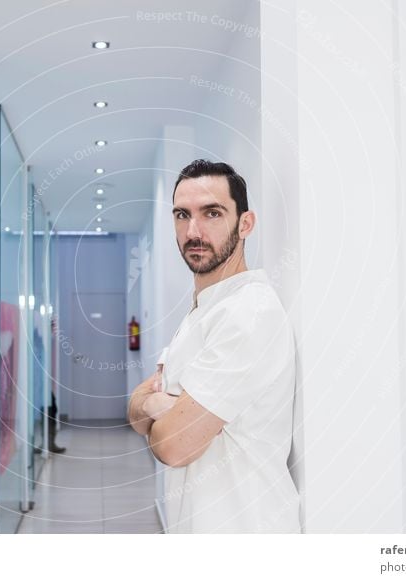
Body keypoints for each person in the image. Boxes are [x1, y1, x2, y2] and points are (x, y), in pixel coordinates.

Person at [127, 159, 300, 533]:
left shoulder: (248, 313)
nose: (193, 230)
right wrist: (158, 404)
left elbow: (174, 446)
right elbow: (136, 413)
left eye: (212, 213)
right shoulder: (204, 311)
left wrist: (164, 407)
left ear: (246, 223)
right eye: (181, 214)